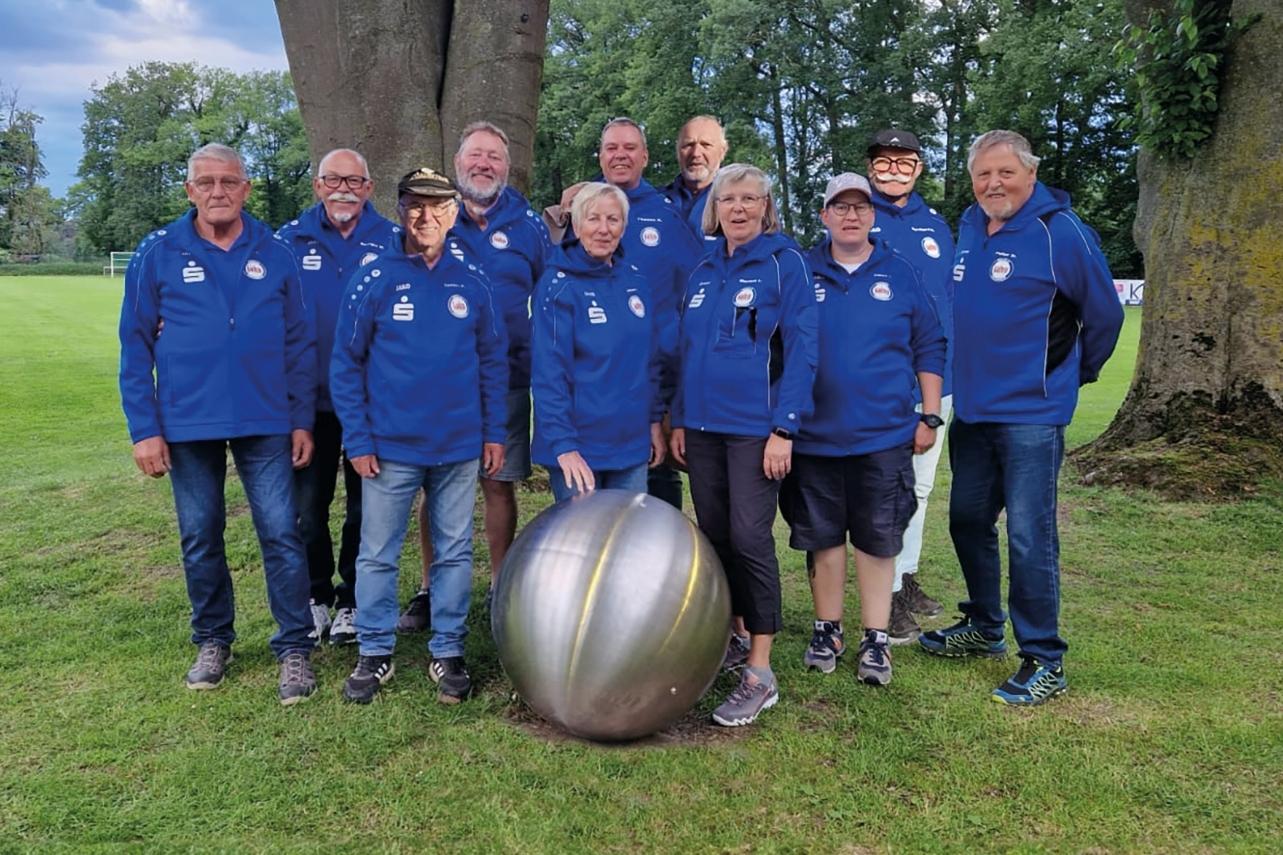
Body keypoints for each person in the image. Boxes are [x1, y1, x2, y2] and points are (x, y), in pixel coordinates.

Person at [919, 130, 1123, 706]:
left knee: (1031, 536)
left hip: (1032, 414)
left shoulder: (1060, 231)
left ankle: (1044, 658)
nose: (993, 184)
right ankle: (985, 626)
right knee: (966, 520)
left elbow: (1105, 315)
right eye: (982, 174)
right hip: (974, 410)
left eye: (1005, 172)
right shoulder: (969, 226)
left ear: (1030, 174)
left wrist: (1073, 374)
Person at [118, 142, 318, 705]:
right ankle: (212, 640)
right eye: (205, 182)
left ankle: (294, 646)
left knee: (281, 532)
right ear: (190, 190)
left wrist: (301, 418)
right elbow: (135, 345)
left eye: (229, 182)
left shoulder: (275, 252)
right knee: (201, 534)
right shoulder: (157, 252)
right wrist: (144, 429)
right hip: (187, 420)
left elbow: (299, 343)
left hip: (266, 417)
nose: (217, 192)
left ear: (246, 189)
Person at [330, 167, 508, 705]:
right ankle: (374, 651)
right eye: (415, 205)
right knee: (377, 553)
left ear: (453, 214)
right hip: (390, 448)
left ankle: (448, 649)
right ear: (400, 210)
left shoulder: (473, 279)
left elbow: (492, 361)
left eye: (437, 207)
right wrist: (359, 439)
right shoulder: (372, 276)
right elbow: (346, 364)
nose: (426, 216)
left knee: (454, 551)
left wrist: (493, 432)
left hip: (457, 446)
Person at [783, 173, 946, 687]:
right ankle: (827, 629)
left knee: (878, 540)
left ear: (873, 216)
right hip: (814, 436)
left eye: (860, 207)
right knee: (824, 539)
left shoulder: (899, 272)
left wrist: (930, 413)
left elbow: (929, 342)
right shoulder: (800, 270)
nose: (850, 215)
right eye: (840, 207)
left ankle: (875, 638)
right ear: (824, 215)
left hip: (883, 436)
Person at [669, 163, 818, 727]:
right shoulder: (704, 268)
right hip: (703, 428)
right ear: (715, 208)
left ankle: (760, 670)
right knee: (714, 536)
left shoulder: (785, 263)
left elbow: (803, 349)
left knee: (751, 537)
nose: (738, 208)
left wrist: (784, 428)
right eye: (728, 199)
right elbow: (687, 351)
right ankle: (731, 637)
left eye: (749, 199)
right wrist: (679, 418)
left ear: (765, 207)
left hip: (757, 430)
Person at [396, 122, 551, 632]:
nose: (484, 164)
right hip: (442, 382)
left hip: (507, 378)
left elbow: (551, 296)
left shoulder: (529, 226)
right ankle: (430, 587)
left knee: (499, 484)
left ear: (507, 166)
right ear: (458, 162)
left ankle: (500, 585)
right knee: (436, 482)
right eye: (475, 156)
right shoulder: (432, 218)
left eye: (494, 157)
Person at [544, 118, 704, 511]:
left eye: (630, 148)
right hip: (587, 409)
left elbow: (695, 287)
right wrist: (561, 441)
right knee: (585, 527)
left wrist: (664, 402)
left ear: (645, 157)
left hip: (650, 389)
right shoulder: (576, 212)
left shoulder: (665, 217)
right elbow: (550, 365)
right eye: (611, 148)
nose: (620, 155)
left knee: (648, 505)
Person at [276, 148, 401, 646]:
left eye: (353, 181)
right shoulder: (288, 241)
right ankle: (315, 594)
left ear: (369, 188)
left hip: (374, 405)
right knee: (307, 508)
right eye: (333, 180)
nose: (343, 189)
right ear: (317, 185)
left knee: (364, 509)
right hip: (309, 403)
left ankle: (352, 598)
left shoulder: (394, 241)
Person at [863, 128, 957, 644]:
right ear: (871, 167)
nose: (894, 170)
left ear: (919, 168)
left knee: (920, 488)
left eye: (904, 162)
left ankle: (906, 575)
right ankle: (890, 589)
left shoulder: (936, 225)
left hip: (936, 380)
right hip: (882, 383)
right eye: (884, 161)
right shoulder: (858, 217)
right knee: (888, 490)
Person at [531, 182, 667, 501]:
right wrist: (564, 446)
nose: (603, 229)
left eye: (613, 219)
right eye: (593, 219)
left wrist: (653, 422)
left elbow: (649, 362)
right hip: (579, 448)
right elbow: (549, 373)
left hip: (630, 446)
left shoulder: (636, 281)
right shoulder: (557, 286)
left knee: (628, 531)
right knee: (583, 533)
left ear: (624, 226)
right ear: (577, 226)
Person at [662, 115, 729, 237]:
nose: (696, 153)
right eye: (688, 145)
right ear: (677, 151)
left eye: (706, 145)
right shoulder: (653, 202)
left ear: (722, 151)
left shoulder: (743, 205)